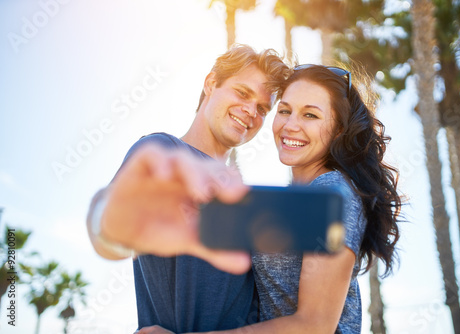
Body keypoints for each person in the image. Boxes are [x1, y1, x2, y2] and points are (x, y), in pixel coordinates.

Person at [138, 63, 402, 334]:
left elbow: (314, 325)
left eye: (310, 115)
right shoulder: (296, 199)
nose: (290, 125)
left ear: (338, 130)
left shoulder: (331, 190)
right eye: (284, 111)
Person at [86, 44, 291, 333]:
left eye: (261, 108)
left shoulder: (242, 193)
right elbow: (108, 237)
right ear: (210, 84)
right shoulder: (164, 152)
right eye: (242, 93)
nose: (250, 112)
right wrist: (109, 219)